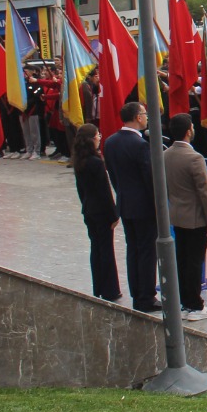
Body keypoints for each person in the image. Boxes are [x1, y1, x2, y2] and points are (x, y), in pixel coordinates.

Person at [102, 101, 162, 313]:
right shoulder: (140, 145)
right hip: (144, 206)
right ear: (138, 117)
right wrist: (159, 205)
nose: (146, 117)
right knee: (147, 251)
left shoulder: (110, 142)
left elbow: (113, 175)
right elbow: (149, 178)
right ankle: (146, 296)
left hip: (125, 203)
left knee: (133, 249)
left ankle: (137, 292)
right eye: (144, 114)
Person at [163, 113, 207, 321]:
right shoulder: (194, 158)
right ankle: (195, 304)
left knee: (182, 260)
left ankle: (185, 302)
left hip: (177, 214)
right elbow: (204, 191)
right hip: (196, 217)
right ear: (188, 131)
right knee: (195, 261)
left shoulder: (166, 155)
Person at [70, 122, 122, 303]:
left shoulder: (79, 160)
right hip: (101, 211)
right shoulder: (96, 162)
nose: (100, 138)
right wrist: (114, 214)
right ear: (92, 139)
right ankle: (110, 289)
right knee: (106, 249)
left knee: (96, 248)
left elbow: (81, 190)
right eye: (98, 135)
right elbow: (105, 191)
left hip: (89, 209)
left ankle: (98, 286)